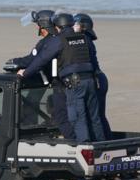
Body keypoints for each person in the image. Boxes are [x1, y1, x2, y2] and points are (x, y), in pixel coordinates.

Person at [17, 13, 105, 142]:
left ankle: (84, 146)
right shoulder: (84, 37)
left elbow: (41, 59)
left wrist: (24, 73)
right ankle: (101, 144)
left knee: (77, 117)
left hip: (75, 83)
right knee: (94, 117)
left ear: (58, 27)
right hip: (91, 80)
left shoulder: (59, 39)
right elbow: (93, 59)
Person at [73, 13, 112, 139]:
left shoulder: (83, 40)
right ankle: (107, 140)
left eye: (76, 24)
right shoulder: (86, 39)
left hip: (97, 79)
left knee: (96, 117)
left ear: (83, 26)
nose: (73, 26)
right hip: (99, 78)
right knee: (98, 116)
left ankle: (103, 141)